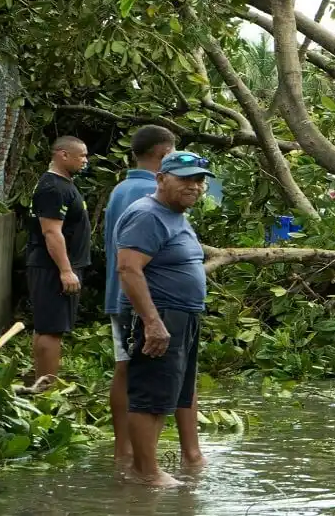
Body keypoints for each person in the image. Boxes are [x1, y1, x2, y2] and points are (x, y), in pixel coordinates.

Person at [115, 151, 214, 486]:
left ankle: (151, 467)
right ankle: (146, 471)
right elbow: (128, 269)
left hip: (182, 316)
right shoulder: (148, 214)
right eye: (185, 179)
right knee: (152, 397)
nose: (195, 186)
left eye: (199, 180)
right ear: (161, 178)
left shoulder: (174, 214)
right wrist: (152, 321)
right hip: (162, 315)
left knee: (175, 393)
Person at [103, 125, 181, 464]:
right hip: (139, 300)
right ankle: (133, 455)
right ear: (164, 155)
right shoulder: (148, 193)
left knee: (125, 367)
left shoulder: (123, 187)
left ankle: (126, 451)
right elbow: (136, 260)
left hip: (122, 295)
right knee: (138, 374)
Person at [24, 136, 91, 391]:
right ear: (63, 155)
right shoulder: (53, 188)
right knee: (51, 330)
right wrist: (65, 270)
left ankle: (40, 387)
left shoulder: (63, 185)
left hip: (59, 266)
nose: (85, 161)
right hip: (53, 267)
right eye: (81, 155)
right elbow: (51, 232)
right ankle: (46, 393)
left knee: (48, 328)